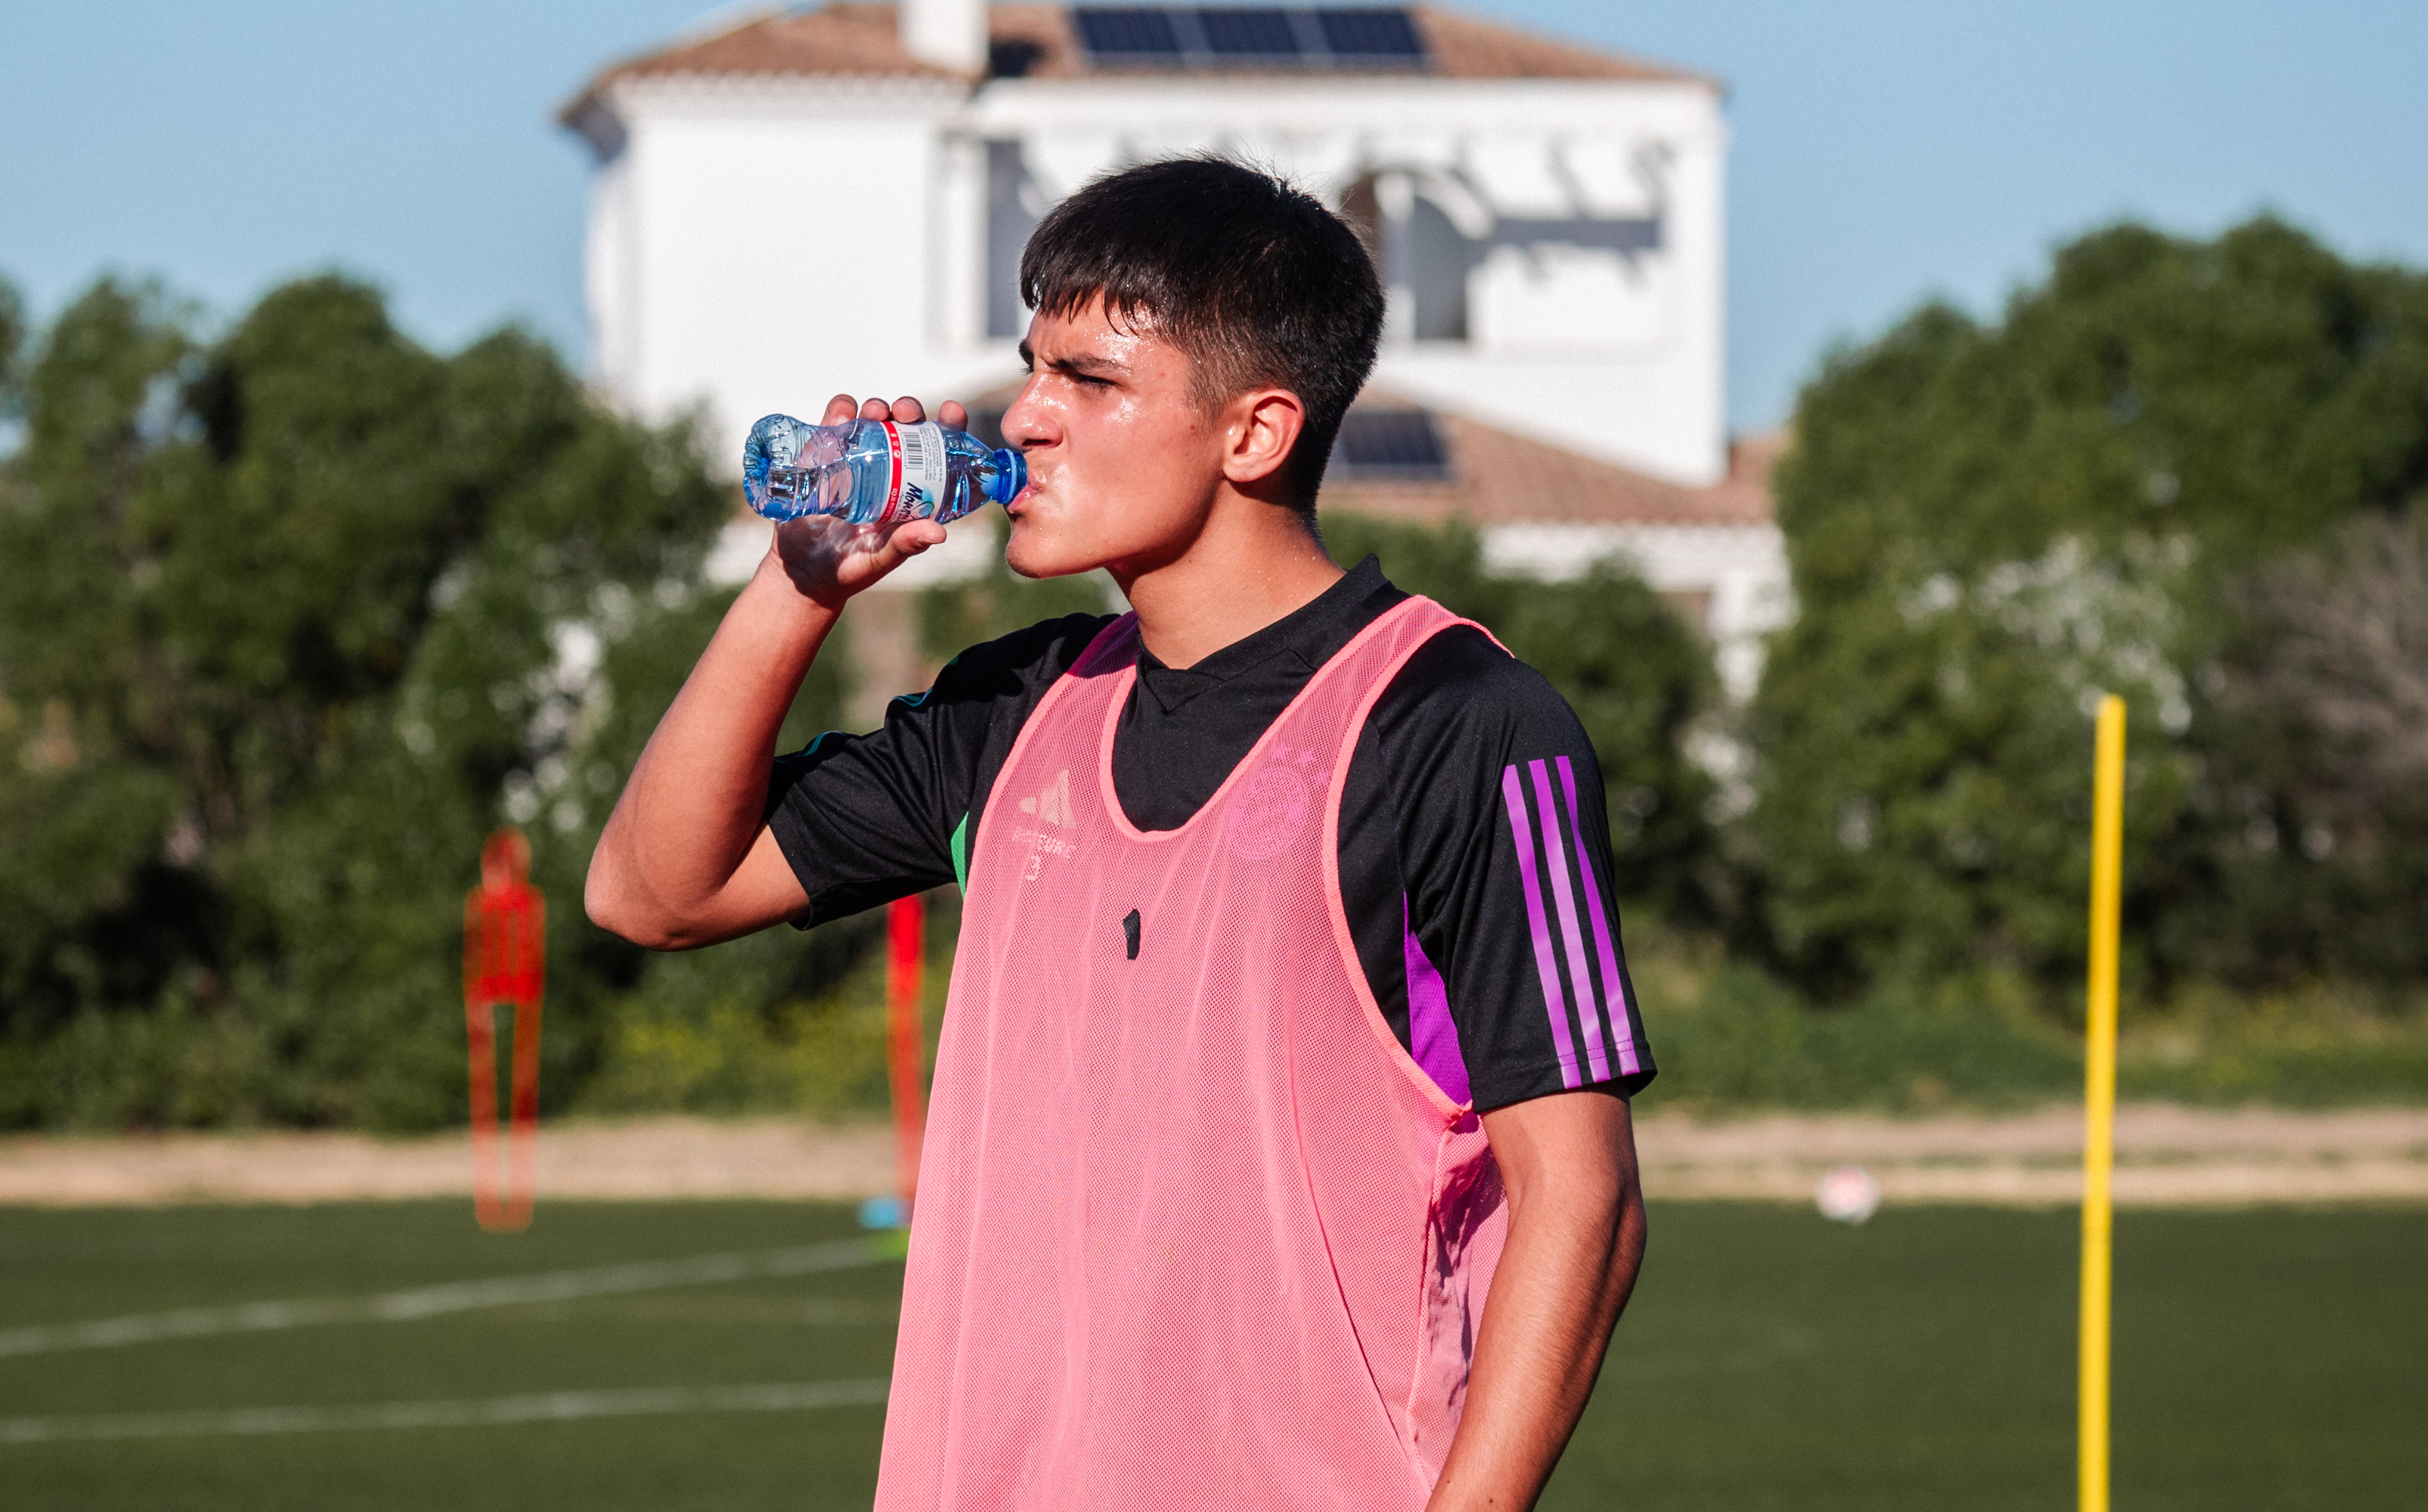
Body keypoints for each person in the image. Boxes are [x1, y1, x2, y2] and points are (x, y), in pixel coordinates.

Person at [588, 158, 1651, 1511]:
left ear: (1255, 433)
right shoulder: (1019, 708)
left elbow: (1584, 1203)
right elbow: (651, 893)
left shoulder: (1460, 722)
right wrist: (799, 586)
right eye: (1033, 368)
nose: (1025, 416)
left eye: (1090, 382)